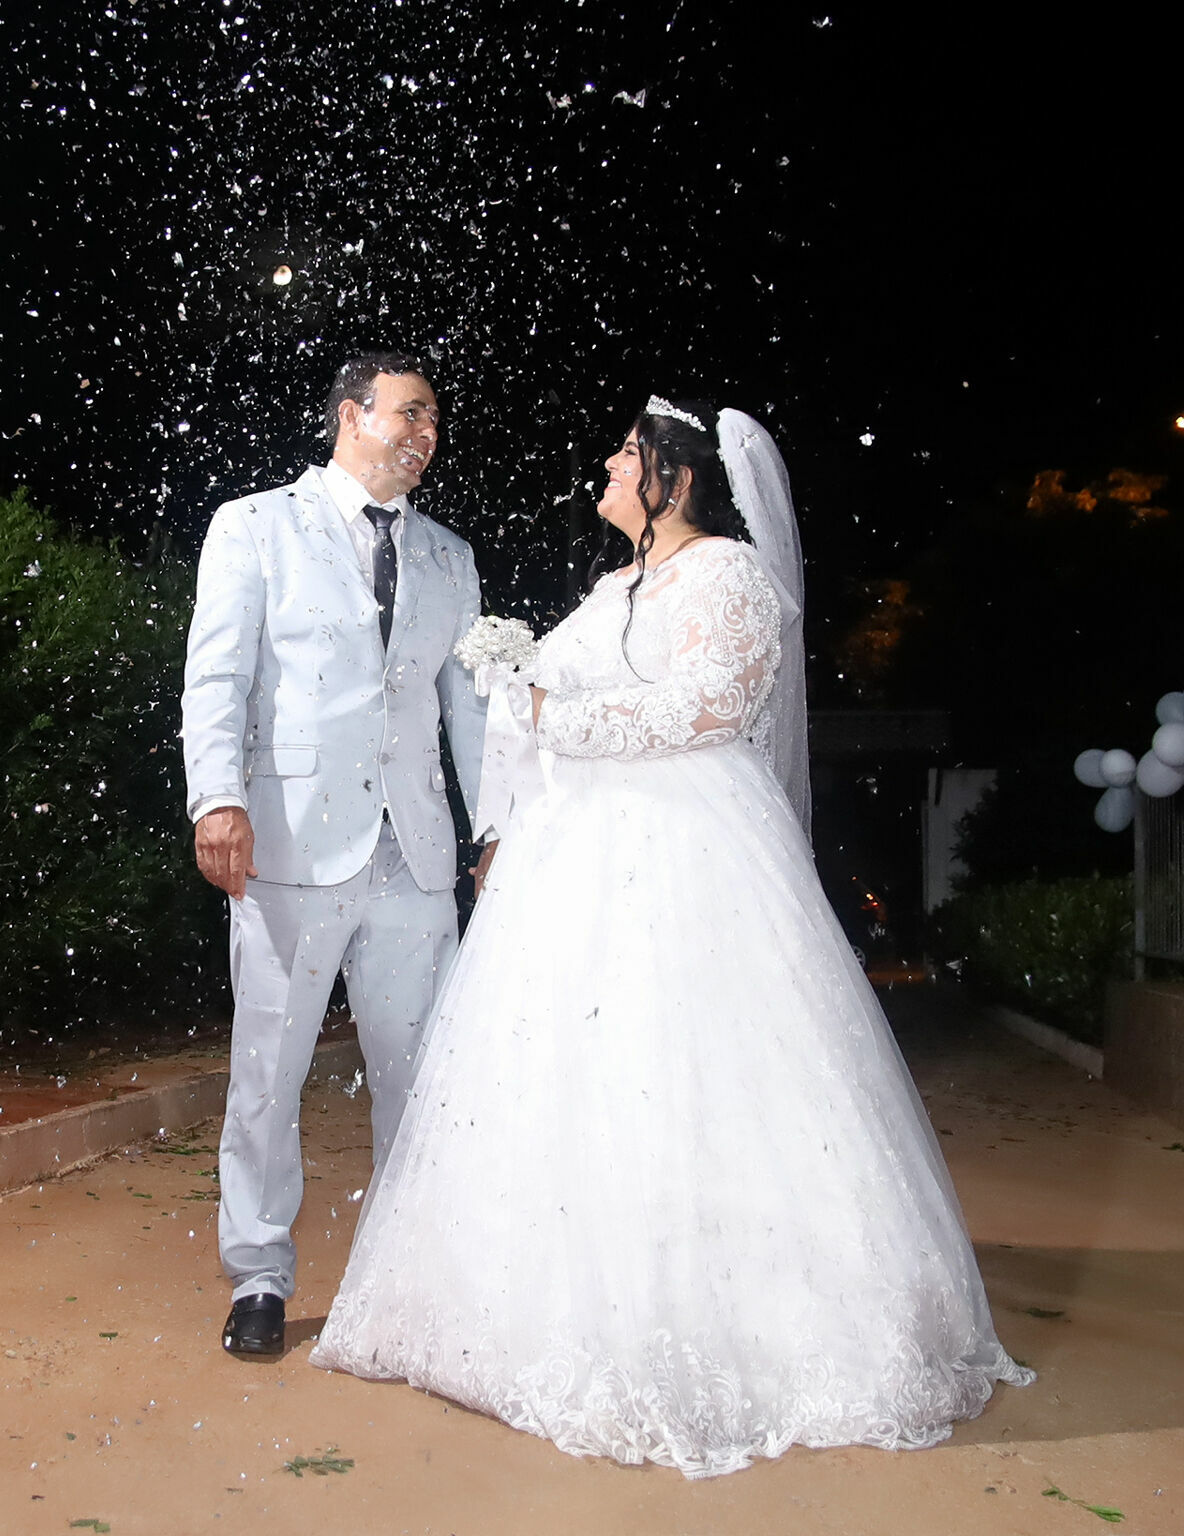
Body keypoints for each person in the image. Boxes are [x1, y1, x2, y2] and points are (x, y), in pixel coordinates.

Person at [309, 397, 1032, 1475]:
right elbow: (551, 684)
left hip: (696, 848)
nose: (606, 465)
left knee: (700, 1064)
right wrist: (516, 694)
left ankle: (740, 1312)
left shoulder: (732, 577)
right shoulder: (615, 586)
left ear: (675, 482)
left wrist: (559, 717)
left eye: (625, 456)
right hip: (580, 854)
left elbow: (710, 708)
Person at [181, 352, 489, 1359]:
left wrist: (493, 830)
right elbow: (218, 674)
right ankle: (260, 1274)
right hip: (291, 843)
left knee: (419, 1076)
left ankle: (404, 1276)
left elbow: (468, 712)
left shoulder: (449, 555)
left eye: (434, 418)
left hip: (418, 854)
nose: (425, 432)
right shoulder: (256, 524)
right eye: (410, 413)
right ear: (352, 416)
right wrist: (218, 797)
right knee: (269, 1072)